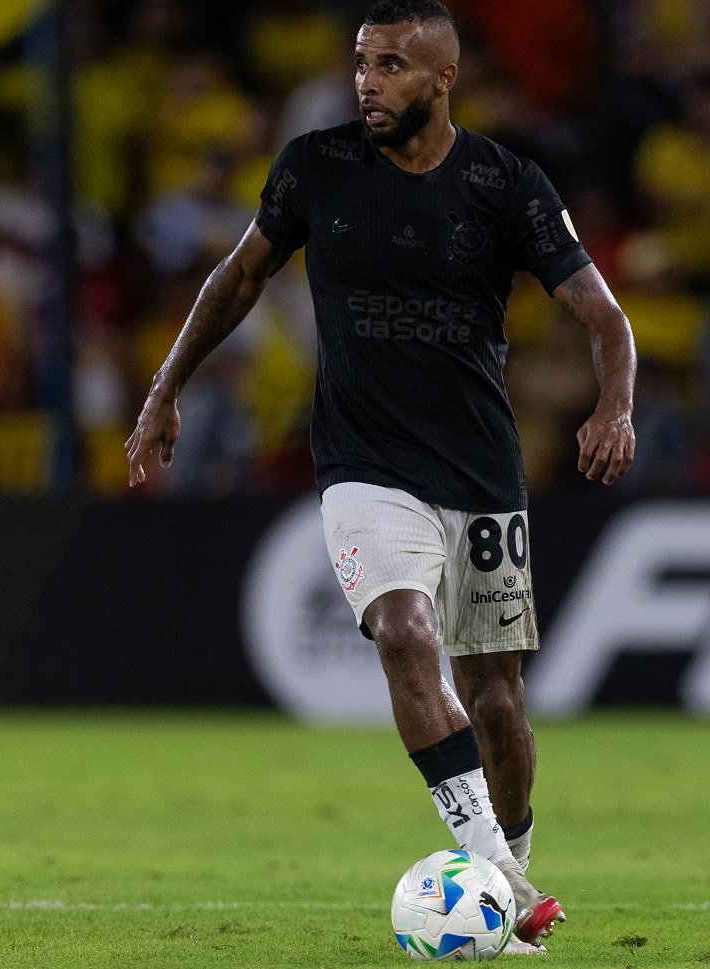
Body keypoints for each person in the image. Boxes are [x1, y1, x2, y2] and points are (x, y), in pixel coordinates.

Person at [126, 0, 636, 952]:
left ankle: (510, 854)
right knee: (402, 631)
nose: (369, 80)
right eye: (363, 62)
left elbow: (604, 316)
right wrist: (166, 386)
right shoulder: (315, 169)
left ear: (444, 79)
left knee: (497, 696)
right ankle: (509, 884)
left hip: (481, 469)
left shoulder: (505, 182)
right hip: (362, 466)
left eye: (393, 65)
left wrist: (614, 405)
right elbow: (237, 278)